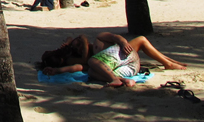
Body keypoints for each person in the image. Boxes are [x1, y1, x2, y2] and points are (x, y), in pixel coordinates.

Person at [42, 32, 186, 87]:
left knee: (141, 39)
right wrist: (57, 70)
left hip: (123, 54)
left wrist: (123, 43)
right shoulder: (87, 59)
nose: (80, 45)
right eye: (78, 47)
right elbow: (78, 67)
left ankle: (169, 63)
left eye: (79, 43)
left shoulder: (99, 40)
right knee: (92, 72)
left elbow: (115, 37)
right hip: (123, 65)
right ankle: (121, 80)